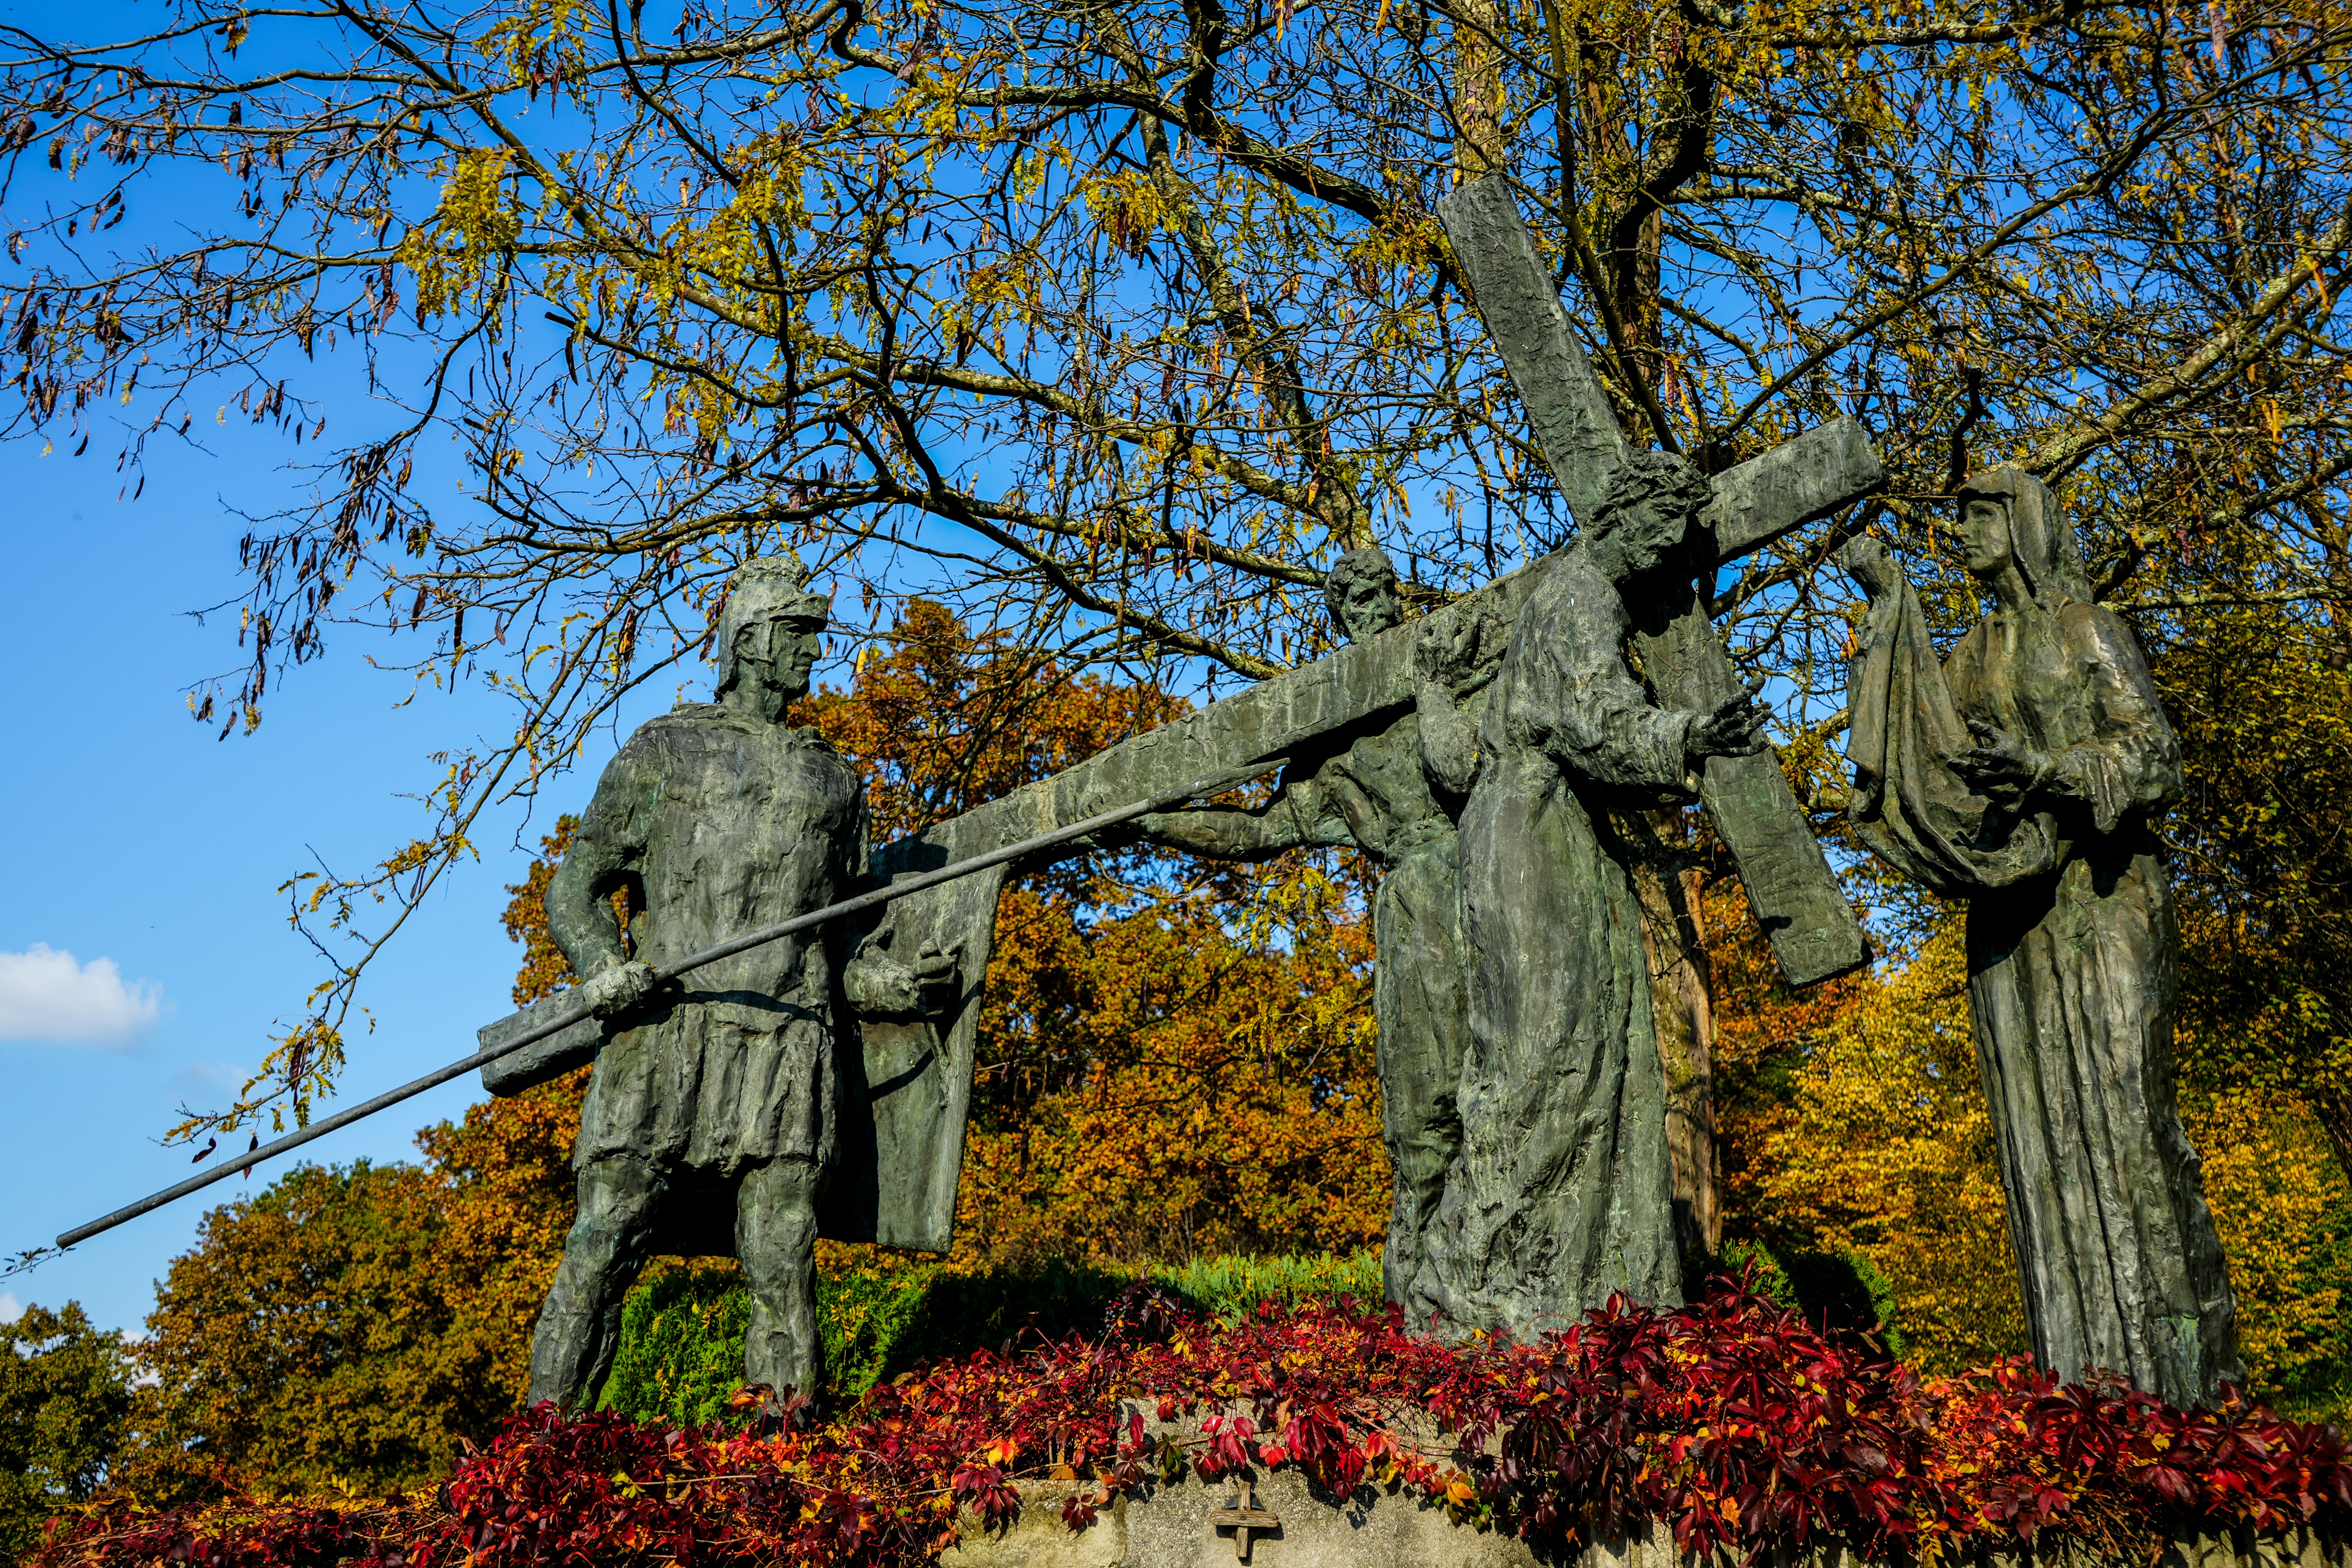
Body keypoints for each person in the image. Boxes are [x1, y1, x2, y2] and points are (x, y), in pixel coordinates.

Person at [1842, 467, 2241, 1405]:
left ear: (2020, 526)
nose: (1965, 535)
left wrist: (2051, 772)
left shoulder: (2085, 629)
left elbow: (2154, 756)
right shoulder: (1970, 653)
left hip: (2103, 902)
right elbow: (1928, 748)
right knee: (2037, 1139)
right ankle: (2080, 1392)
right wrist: (1889, 608)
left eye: (1979, 518)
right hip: (2011, 916)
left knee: (2126, 1125)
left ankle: (2183, 1391)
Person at [527, 554, 943, 1409]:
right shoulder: (665, 751)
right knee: (605, 1237)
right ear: (749, 642)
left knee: (782, 1246)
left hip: (791, 1038)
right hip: (669, 1026)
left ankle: (784, 1451)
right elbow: (574, 887)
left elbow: (835, 944)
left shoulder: (836, 778)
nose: (812, 653)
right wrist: (604, 967)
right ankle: (539, 1453)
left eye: (812, 635)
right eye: (796, 634)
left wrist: (890, 987)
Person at [1416, 451, 1766, 1336]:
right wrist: (1686, 734)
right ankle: (1475, 1290)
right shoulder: (1578, 598)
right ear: (1618, 516)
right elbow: (1591, 721)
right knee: (1542, 1059)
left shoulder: (1580, 596)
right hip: (1530, 826)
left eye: (1674, 543)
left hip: (1542, 825)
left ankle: (1570, 1295)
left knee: (1582, 1049)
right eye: (1655, 532)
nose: (1661, 555)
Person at [1134, 546, 1496, 1309]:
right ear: (1337, 614)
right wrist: (1158, 824)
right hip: (1415, 906)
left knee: (1505, 1086)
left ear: (1400, 597)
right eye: (1356, 600)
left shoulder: (1450, 669)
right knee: (1422, 1101)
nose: (1373, 609)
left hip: (1494, 875)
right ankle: (1423, 1287)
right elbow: (1260, 834)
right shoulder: (1332, 740)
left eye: (1383, 593)